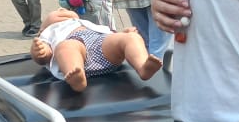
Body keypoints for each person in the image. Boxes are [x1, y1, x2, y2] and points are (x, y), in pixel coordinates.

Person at [30, 8, 162, 91]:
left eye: (64, 9)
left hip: (102, 46)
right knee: (65, 47)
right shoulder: (47, 33)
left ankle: (142, 67)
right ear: (43, 27)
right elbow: (44, 56)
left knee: (131, 38)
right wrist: (41, 51)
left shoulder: (84, 23)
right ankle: (77, 77)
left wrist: (122, 35)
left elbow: (108, 35)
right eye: (56, 12)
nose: (61, 9)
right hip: (77, 48)